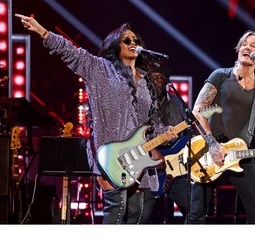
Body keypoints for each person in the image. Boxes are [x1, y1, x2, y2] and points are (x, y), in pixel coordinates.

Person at [15, 13, 178, 224]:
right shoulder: (101, 69)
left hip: (140, 160)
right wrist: (44, 32)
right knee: (117, 211)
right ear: (115, 46)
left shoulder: (147, 80)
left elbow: (151, 121)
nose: (132, 43)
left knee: (138, 215)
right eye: (126, 40)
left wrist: (165, 133)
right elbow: (71, 52)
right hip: (112, 155)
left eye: (135, 40)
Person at [189, 30, 255, 224]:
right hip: (209, 151)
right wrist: (212, 144)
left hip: (241, 154)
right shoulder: (220, 76)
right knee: (197, 215)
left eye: (253, 46)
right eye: (244, 44)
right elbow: (198, 111)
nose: (247, 47)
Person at [149, 66, 190, 224]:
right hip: (150, 164)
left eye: (161, 78)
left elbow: (186, 131)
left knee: (192, 207)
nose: (157, 81)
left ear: (166, 81)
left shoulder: (177, 102)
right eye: (153, 78)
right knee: (152, 215)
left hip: (175, 164)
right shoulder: (142, 102)